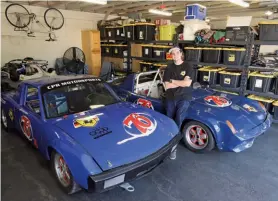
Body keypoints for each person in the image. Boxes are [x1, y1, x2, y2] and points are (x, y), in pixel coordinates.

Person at [163, 46, 194, 158]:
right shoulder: (169, 67)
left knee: (178, 120)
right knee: (169, 121)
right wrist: (180, 82)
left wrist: (173, 81)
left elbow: (187, 84)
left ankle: (173, 148)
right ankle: (168, 144)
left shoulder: (187, 66)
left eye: (176, 53)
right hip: (170, 97)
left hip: (184, 97)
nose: (174, 55)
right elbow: (167, 86)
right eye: (172, 53)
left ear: (181, 54)